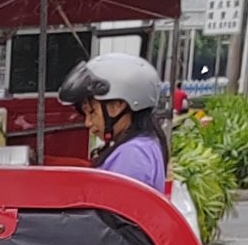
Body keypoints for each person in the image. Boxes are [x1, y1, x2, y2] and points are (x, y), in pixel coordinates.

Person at [59, 52, 170, 193]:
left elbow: (111, 212)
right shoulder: (144, 144)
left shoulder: (133, 155)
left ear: (118, 105)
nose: (88, 123)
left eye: (92, 112)